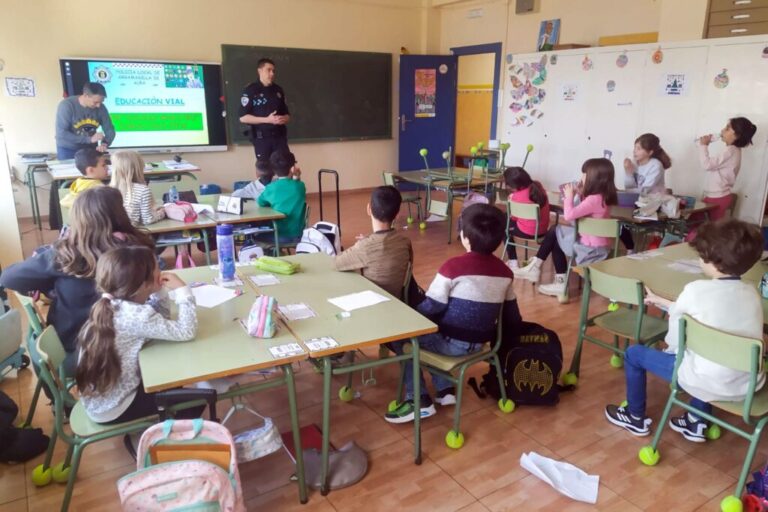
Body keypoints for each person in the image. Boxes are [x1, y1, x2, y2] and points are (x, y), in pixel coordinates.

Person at [605, 218, 764, 442]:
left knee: (634, 354)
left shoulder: (695, 290)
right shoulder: (752, 293)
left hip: (702, 380)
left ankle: (634, 416)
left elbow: (675, 341)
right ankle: (696, 421)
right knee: (711, 354)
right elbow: (707, 315)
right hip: (744, 384)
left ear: (713, 261)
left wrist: (672, 335)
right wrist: (663, 302)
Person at [384, 204, 522, 424]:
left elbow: (432, 306)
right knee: (431, 335)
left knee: (403, 338)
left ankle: (418, 400)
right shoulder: (505, 273)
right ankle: (445, 389)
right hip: (482, 345)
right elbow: (513, 316)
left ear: (464, 238)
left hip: (450, 343)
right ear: (499, 240)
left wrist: (409, 317)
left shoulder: (453, 267)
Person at [0, 187, 155, 373]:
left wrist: (49, 287)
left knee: (34, 343)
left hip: (75, 348)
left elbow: (8, 278)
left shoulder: (65, 255)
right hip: (133, 343)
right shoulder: (137, 248)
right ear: (120, 214)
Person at [76, 246, 199, 424]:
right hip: (116, 407)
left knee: (170, 376)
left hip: (100, 400)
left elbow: (160, 322)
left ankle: (164, 421)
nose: (161, 271)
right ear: (143, 284)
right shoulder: (137, 316)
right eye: (157, 267)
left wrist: (159, 291)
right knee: (196, 400)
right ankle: (166, 434)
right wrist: (183, 291)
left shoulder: (112, 305)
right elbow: (187, 331)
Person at [514, 158, 618, 297]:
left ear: (594, 178)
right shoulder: (602, 196)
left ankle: (542, 270)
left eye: (584, 174)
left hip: (589, 249)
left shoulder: (594, 199)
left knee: (555, 232)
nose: (582, 177)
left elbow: (569, 216)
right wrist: (579, 194)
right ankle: (550, 275)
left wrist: (569, 197)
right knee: (556, 235)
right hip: (596, 244)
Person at [335, 186, 413, 298]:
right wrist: (368, 239)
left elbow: (337, 263)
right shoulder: (405, 242)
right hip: (397, 300)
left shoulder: (365, 247)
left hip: (373, 302)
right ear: (397, 214)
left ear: (369, 209)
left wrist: (364, 242)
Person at [698, 117, 757, 221]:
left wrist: (703, 146)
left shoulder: (731, 151)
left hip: (718, 197)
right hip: (716, 196)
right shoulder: (735, 150)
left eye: (727, 128)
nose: (722, 130)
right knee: (700, 224)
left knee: (705, 227)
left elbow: (707, 165)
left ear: (737, 135)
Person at [239, 58, 291, 161]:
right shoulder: (250, 90)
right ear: (260, 71)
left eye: (273, 71)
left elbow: (287, 115)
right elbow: (243, 118)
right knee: (264, 168)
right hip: (262, 139)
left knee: (285, 166)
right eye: (269, 70)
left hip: (280, 138)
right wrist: (267, 120)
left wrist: (283, 119)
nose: (272, 73)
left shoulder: (278, 90)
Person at [503, 167, 550, 270]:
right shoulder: (538, 185)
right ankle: (513, 262)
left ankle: (513, 261)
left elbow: (514, 218)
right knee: (505, 217)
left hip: (527, 232)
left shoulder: (516, 197)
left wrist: (511, 200)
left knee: (503, 227)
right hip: (542, 230)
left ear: (513, 185)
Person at [257, 149, 306, 243]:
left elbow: (260, 202)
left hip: (278, 235)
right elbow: (296, 187)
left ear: (273, 170)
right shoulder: (300, 186)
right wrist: (297, 177)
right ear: (292, 168)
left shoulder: (271, 187)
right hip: (298, 235)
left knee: (255, 234)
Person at [55, 82, 115, 160]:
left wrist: (104, 144)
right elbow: (61, 133)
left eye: (101, 102)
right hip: (68, 149)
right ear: (86, 95)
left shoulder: (101, 108)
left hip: (89, 148)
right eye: (95, 102)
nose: (98, 105)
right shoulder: (67, 105)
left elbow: (109, 129)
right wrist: (89, 139)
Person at [109, 150, 166, 225]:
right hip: (131, 231)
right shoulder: (143, 190)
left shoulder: (107, 190)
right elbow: (147, 220)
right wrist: (162, 213)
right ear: (138, 169)